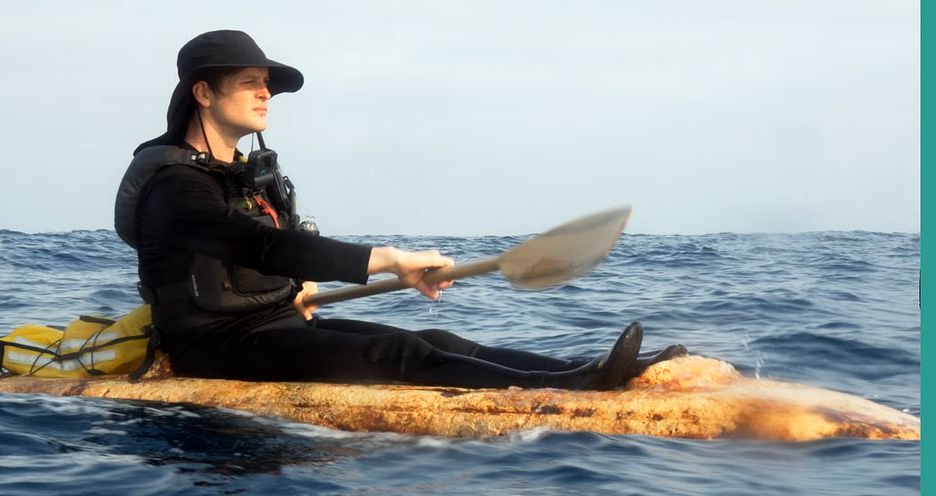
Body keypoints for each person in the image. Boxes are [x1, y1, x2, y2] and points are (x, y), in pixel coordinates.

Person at [115, 30, 685, 392]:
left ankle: (589, 369)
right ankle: (574, 388)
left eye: (267, 84)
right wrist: (389, 259)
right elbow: (258, 245)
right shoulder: (175, 187)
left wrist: (302, 286)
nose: (266, 94)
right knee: (398, 351)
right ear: (204, 93)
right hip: (212, 344)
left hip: (278, 321)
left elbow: (285, 240)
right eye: (250, 83)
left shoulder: (245, 173)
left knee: (443, 341)